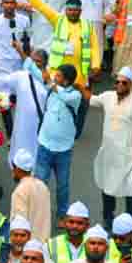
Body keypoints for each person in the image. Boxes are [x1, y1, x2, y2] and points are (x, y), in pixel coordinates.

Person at [91, 66, 132, 227]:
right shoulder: (107, 97)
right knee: (107, 187)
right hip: (109, 155)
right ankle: (108, 220)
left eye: (123, 83)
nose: (119, 85)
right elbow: (90, 99)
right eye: (117, 82)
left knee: (131, 191)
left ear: (130, 84)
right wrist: (78, 84)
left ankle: (131, 223)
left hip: (129, 157)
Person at [33, 63, 91, 219]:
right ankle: (37, 213)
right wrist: (26, 56)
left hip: (63, 150)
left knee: (62, 186)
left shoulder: (75, 96)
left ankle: (62, 214)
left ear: (65, 81)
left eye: (58, 76)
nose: (54, 78)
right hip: (44, 144)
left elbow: (64, 96)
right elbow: (38, 75)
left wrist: (51, 84)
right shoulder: (52, 89)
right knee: (40, 183)